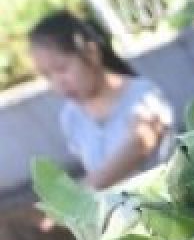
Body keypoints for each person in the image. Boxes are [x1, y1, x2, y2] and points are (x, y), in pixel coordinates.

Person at [28, 10, 175, 189]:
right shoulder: (71, 117)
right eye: (47, 76)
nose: (58, 82)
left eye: (61, 68)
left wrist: (76, 197)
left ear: (91, 53)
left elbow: (139, 142)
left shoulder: (143, 96)